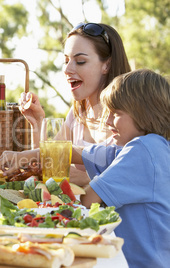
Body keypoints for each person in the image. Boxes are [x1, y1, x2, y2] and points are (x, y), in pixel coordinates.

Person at [0, 23, 131, 186]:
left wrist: (86, 180)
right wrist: (37, 123)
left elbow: (136, 181)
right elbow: (47, 163)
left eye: (80, 61)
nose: (67, 69)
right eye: (66, 60)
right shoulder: (78, 113)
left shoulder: (127, 119)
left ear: (107, 65)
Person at [76, 69, 170, 267]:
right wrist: (27, 156)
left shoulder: (144, 149)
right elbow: (80, 153)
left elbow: (88, 199)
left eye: (116, 113)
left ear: (144, 114)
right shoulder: (154, 147)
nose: (108, 121)